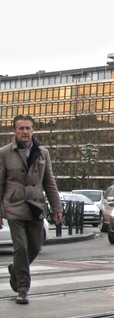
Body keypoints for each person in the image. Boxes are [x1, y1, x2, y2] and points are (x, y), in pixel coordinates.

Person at [0, 114, 63, 304]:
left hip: (35, 206)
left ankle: (16, 269)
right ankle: (23, 289)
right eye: (21, 128)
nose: (25, 132)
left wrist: (57, 207)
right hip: (13, 205)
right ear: (15, 131)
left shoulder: (42, 153)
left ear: (33, 130)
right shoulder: (4, 153)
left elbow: (49, 182)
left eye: (28, 128)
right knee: (21, 246)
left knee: (35, 246)